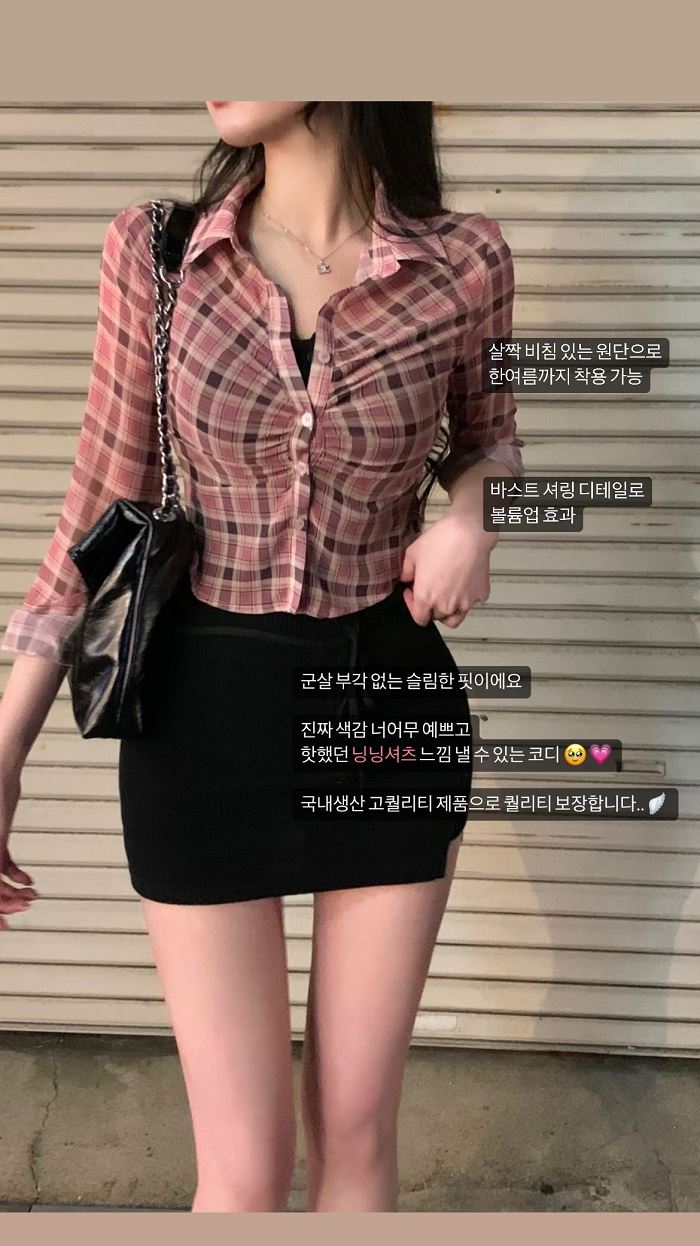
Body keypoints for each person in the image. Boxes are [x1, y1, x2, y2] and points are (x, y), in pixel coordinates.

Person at [0, 101, 522, 1212]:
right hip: (201, 714)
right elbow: (96, 507)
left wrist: (474, 517)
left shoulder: (464, 259)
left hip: (386, 702)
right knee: (241, 1175)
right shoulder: (156, 253)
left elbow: (492, 441)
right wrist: (4, 754)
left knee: (356, 1143)